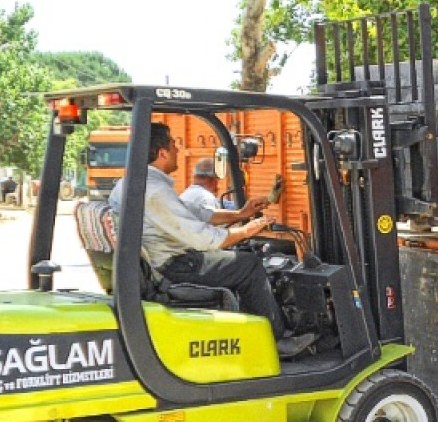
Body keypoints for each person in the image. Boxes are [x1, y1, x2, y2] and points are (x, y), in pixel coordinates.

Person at [110, 123, 308, 358]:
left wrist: (239, 214)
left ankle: (250, 330)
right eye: (173, 145)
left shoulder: (133, 183)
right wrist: (246, 231)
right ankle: (276, 342)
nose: (177, 150)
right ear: (162, 153)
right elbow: (205, 239)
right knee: (248, 265)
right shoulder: (154, 191)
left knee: (236, 260)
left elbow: (193, 213)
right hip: (175, 267)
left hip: (162, 263)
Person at [181, 157, 258, 224]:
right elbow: (213, 228)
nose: (217, 186)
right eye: (217, 181)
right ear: (212, 180)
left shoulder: (186, 194)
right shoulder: (206, 198)